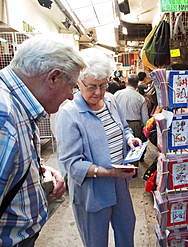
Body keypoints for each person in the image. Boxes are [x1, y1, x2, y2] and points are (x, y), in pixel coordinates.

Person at [0, 34, 86, 246]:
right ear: (53, 78)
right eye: (72, 86)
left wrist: (37, 170)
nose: (71, 96)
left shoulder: (12, 106)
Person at [54, 47, 141, 247]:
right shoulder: (69, 113)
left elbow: (125, 128)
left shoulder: (110, 100)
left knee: (126, 229)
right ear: (78, 81)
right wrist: (108, 171)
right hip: (92, 191)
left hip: (119, 184)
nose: (98, 92)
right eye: (92, 86)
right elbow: (72, 164)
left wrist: (129, 139)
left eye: (103, 85)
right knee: (96, 240)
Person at [115, 74, 149, 166]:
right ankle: (133, 169)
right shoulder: (140, 98)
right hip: (135, 125)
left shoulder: (117, 94)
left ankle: (120, 167)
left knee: (120, 147)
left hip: (119, 123)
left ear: (126, 82)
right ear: (137, 84)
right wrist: (146, 130)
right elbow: (145, 118)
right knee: (134, 148)